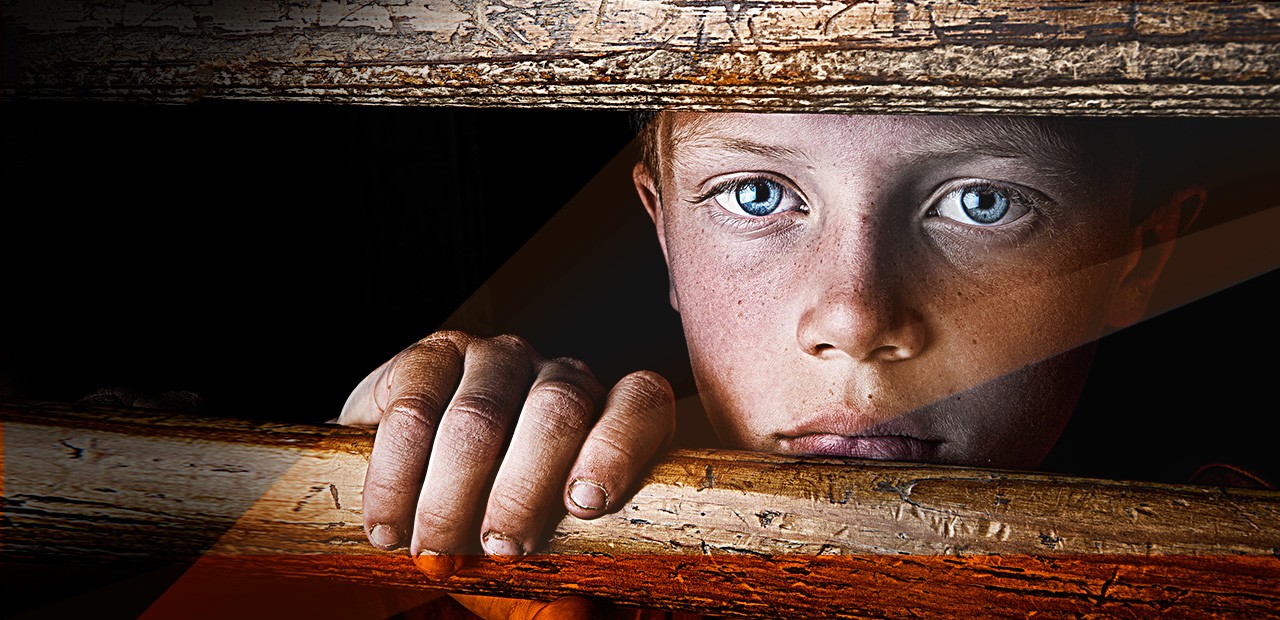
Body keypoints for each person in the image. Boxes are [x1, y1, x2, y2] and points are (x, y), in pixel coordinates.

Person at [335, 112, 1210, 618]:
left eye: (983, 203)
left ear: (1141, 255)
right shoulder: (548, 580)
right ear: (665, 233)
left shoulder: (1231, 577)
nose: (856, 318)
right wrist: (333, 536)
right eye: (758, 194)